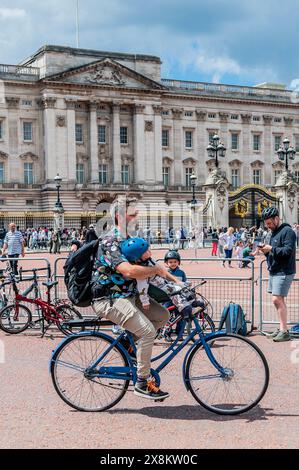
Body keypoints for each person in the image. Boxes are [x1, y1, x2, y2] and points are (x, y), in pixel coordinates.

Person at [92, 197, 171, 400]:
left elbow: (157, 267)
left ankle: (128, 345)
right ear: (119, 216)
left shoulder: (132, 240)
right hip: (108, 298)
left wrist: (179, 284)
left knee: (162, 316)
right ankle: (142, 383)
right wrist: (153, 270)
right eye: (133, 215)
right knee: (147, 332)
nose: (137, 218)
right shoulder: (109, 240)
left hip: (128, 296)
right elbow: (127, 271)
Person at [260, 207, 296, 342]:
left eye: (269, 223)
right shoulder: (273, 233)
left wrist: (271, 248)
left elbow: (287, 251)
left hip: (284, 270)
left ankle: (284, 331)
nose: (267, 226)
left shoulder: (288, 232)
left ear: (277, 218)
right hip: (275, 270)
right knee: (277, 301)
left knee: (277, 300)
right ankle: (282, 327)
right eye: (266, 224)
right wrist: (265, 251)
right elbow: (274, 252)